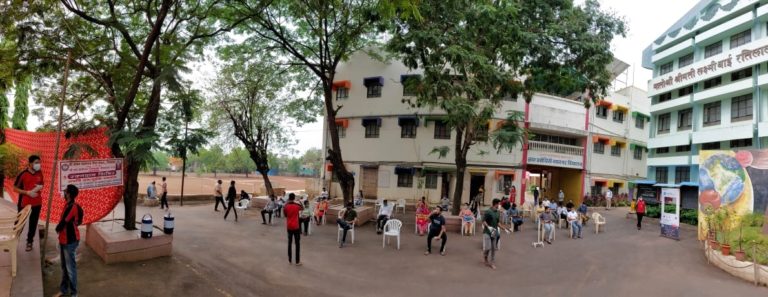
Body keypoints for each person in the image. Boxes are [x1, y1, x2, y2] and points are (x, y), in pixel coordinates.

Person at [54, 185, 84, 297]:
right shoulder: (67, 205)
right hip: (64, 240)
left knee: (70, 268)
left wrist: (58, 229)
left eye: (65, 191)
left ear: (69, 194)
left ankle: (74, 293)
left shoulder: (73, 207)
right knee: (64, 266)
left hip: (70, 241)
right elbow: (77, 221)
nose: (63, 192)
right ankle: (64, 289)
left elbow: (63, 223)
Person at [13, 155, 44, 252]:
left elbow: (42, 184)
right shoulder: (23, 174)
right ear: (30, 163)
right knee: (19, 222)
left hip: (37, 202)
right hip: (24, 203)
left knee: (33, 223)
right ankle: (13, 240)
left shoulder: (40, 173)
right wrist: (27, 192)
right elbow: (15, 188)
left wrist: (39, 187)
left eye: (39, 162)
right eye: (36, 162)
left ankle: (29, 242)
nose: (38, 164)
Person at [482, 199, 508, 269]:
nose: (499, 206)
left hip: (494, 231)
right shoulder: (488, 212)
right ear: (495, 204)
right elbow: (483, 221)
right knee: (488, 247)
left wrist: (504, 229)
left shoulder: (497, 212)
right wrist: (488, 227)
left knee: (493, 248)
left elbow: (497, 223)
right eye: (499, 204)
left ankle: (492, 262)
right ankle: (485, 257)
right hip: (487, 231)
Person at [283, 193, 302, 266]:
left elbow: (285, 215)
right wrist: (299, 201)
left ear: (289, 198)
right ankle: (297, 261)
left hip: (289, 227)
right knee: (297, 244)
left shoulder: (286, 206)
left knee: (289, 243)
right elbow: (302, 208)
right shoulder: (297, 206)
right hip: (296, 227)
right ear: (294, 198)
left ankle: (289, 260)